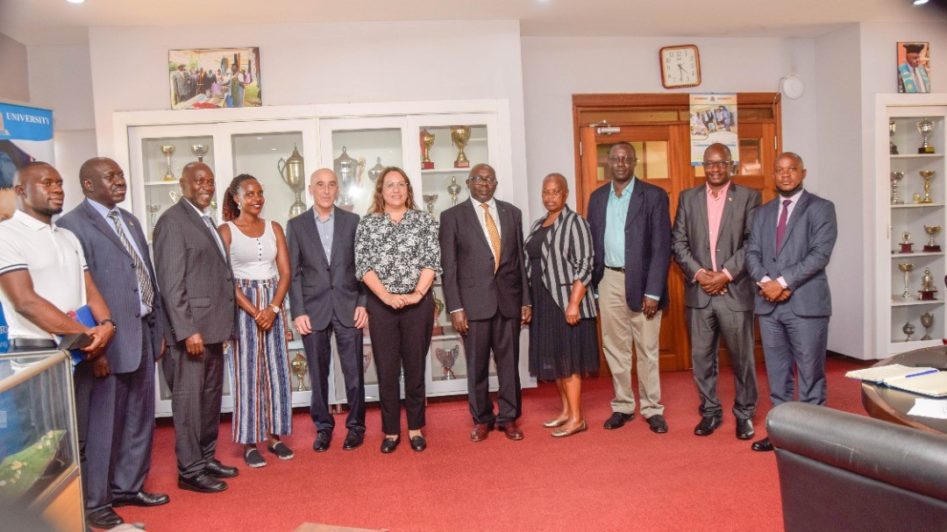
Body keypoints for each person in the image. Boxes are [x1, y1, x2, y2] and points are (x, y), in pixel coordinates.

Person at [0, 162, 116, 529]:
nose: (57, 188)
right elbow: (25, 301)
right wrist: (87, 336)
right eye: (46, 182)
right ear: (20, 190)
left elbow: (89, 288)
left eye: (60, 183)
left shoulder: (67, 235)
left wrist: (107, 325)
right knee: (46, 450)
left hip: (80, 350)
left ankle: (83, 516)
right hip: (40, 357)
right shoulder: (7, 235)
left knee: (79, 441)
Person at [56, 158, 170, 526]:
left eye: (121, 175)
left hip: (142, 333)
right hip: (106, 342)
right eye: (111, 177)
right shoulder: (71, 226)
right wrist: (94, 347)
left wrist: (159, 328)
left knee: (139, 419)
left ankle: (128, 486)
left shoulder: (131, 220)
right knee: (103, 426)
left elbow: (145, 275)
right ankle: (97, 502)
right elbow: (77, 292)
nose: (120, 182)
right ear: (88, 185)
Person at [153, 161, 239, 492]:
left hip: (213, 330)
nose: (206, 185)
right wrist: (188, 330)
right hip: (192, 333)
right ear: (183, 184)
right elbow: (171, 285)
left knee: (209, 400)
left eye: (210, 180)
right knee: (189, 404)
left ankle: (205, 458)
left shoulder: (205, 221)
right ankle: (189, 471)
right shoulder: (173, 223)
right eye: (198, 180)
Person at [745, 152, 837, 452]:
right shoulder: (762, 213)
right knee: (777, 374)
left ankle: (813, 441)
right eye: (779, 170)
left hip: (806, 305)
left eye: (791, 169)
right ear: (774, 174)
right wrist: (766, 284)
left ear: (803, 173)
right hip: (769, 307)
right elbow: (752, 254)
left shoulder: (822, 209)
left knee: (810, 374)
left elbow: (819, 255)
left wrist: (782, 283)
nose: (785, 175)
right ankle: (780, 436)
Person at [671, 144, 760, 440]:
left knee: (742, 359)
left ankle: (744, 413)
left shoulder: (748, 197)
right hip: (699, 293)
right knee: (701, 358)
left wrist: (724, 275)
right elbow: (678, 243)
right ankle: (710, 411)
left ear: (730, 165)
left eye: (721, 163)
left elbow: (752, 244)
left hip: (734, 292)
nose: (715, 168)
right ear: (703, 165)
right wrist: (699, 273)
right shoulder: (688, 198)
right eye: (710, 163)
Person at [439, 163, 531, 443]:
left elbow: (519, 264)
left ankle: (508, 417)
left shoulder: (511, 214)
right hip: (473, 305)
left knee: (509, 364)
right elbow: (449, 267)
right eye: (478, 179)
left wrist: (526, 301)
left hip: (508, 302)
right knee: (476, 366)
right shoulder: (452, 216)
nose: (484, 183)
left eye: (489, 179)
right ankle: (482, 419)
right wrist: (455, 307)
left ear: (495, 183)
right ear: (468, 182)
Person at [587, 142, 671, 434]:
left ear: (634, 162)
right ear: (607, 163)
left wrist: (654, 291)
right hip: (608, 279)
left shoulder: (654, 196)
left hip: (644, 281)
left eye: (626, 158)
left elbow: (662, 247)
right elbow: (593, 243)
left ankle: (652, 408)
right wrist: (595, 286)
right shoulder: (597, 198)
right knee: (615, 346)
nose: (620, 163)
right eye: (615, 158)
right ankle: (623, 405)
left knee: (647, 348)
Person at [355, 167, 440, 453]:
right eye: (389, 185)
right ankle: (391, 431)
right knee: (387, 370)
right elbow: (363, 266)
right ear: (381, 190)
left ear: (408, 189)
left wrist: (417, 294)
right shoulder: (368, 224)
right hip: (382, 306)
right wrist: (386, 296)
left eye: (400, 184)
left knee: (415, 368)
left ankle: (416, 428)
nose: (395, 190)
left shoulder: (424, 221)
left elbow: (431, 261)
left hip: (418, 305)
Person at [288, 168, 368, 453]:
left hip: (349, 306)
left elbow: (363, 267)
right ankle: (323, 427)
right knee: (318, 374)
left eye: (331, 185)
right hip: (313, 310)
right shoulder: (296, 225)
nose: (325, 190)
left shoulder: (353, 221)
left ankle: (356, 426)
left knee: (354, 373)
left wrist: (363, 303)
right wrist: (298, 311)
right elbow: (294, 273)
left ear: (338, 189)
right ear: (310, 189)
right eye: (320, 185)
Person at [218, 174, 294, 468]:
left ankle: (275, 437)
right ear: (236, 198)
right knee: (247, 375)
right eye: (249, 194)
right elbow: (225, 277)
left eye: (260, 193)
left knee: (277, 372)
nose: (257, 199)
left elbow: (285, 272)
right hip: (243, 304)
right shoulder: (226, 231)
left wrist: (273, 308)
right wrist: (254, 311)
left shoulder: (274, 227)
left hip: (273, 301)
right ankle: (251, 442)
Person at [525, 173, 598, 438]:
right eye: (546, 191)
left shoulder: (575, 222)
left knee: (569, 361)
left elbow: (585, 265)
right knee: (556, 361)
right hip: (544, 302)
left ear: (565, 194)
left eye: (556, 191)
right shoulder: (538, 224)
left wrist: (574, 303)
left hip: (566, 302)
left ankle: (578, 418)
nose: (550, 196)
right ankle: (566, 412)